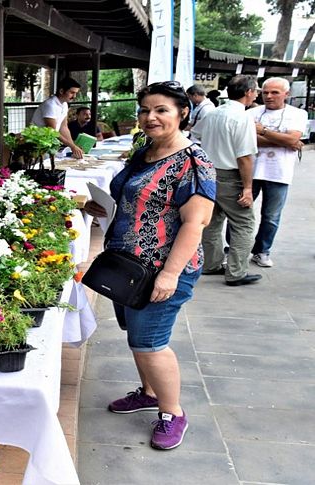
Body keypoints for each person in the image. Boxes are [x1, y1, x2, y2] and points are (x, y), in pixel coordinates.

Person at [84, 80, 216, 450]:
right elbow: (133, 197)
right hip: (126, 264)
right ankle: (148, 392)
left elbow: (196, 222)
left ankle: (172, 412)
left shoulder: (193, 163)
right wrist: (103, 208)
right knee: (136, 338)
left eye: (161, 110)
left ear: (182, 113)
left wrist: (170, 274)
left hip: (160, 269)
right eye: (145, 110)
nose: (150, 117)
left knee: (150, 342)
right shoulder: (145, 150)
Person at [192, 75, 261, 286]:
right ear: (248, 92)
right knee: (244, 223)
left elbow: (195, 135)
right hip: (230, 175)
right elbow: (244, 157)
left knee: (212, 222)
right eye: (256, 90)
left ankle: (211, 264)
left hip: (209, 173)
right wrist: (248, 188)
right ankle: (236, 272)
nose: (257, 94)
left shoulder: (213, 113)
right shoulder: (242, 117)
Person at [247, 77, 307, 267]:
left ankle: (262, 251)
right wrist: (286, 140)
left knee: (271, 216)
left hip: (279, 172)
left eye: (275, 92)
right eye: (265, 92)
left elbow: (293, 139)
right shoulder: (252, 112)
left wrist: (263, 131)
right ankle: (234, 249)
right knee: (240, 213)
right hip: (250, 171)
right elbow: (248, 140)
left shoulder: (298, 114)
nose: (269, 96)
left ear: (286, 94)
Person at [30, 77, 85, 159]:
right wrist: (72, 146)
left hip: (48, 142)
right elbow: (52, 131)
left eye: (75, 93)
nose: (74, 96)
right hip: (38, 143)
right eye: (72, 93)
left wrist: (73, 146)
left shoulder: (64, 104)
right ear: (61, 91)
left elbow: (64, 127)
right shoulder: (50, 105)